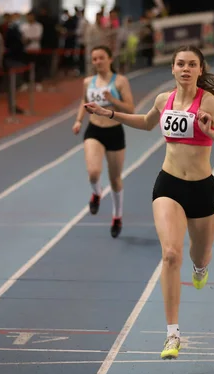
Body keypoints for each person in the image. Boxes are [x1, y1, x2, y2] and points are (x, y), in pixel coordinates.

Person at [83, 45, 214, 360]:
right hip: (168, 184)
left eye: (191, 64)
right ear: (172, 69)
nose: (185, 69)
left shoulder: (209, 102)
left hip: (202, 189)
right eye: (180, 64)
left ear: (200, 70)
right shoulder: (163, 100)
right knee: (170, 254)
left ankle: (201, 268)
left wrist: (211, 131)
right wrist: (108, 113)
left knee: (200, 255)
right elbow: (145, 122)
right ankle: (172, 335)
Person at [72, 45, 134, 238]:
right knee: (93, 172)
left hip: (114, 131)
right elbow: (84, 103)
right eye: (94, 59)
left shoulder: (120, 81)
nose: (97, 61)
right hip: (94, 130)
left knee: (115, 179)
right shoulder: (88, 82)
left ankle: (117, 216)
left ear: (110, 59)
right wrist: (78, 120)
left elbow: (131, 109)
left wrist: (112, 100)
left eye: (101, 58)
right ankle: (96, 193)